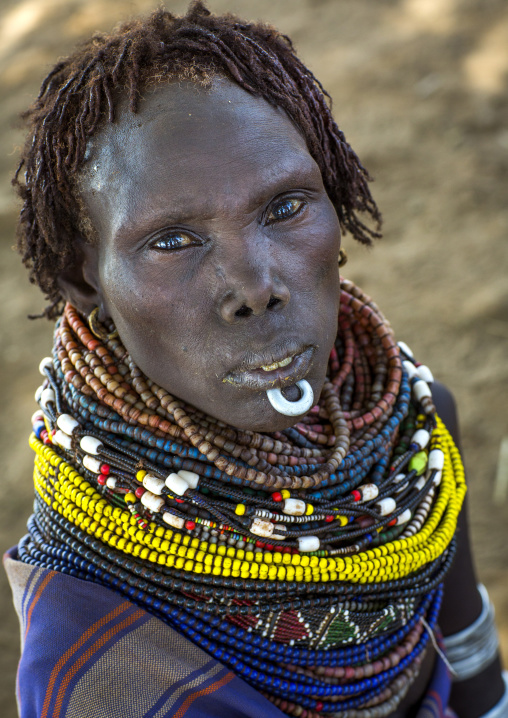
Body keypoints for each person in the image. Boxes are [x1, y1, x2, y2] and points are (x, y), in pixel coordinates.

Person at [4, 3, 507, 717]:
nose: (254, 288)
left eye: (285, 207)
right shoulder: (93, 663)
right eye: (174, 241)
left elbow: (477, 675)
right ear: (86, 282)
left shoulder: (412, 440)